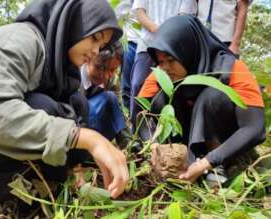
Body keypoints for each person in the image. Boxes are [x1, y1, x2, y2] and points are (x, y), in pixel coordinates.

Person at [0, 0, 129, 203]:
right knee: (45, 108)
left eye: (101, 46)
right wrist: (86, 139)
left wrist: (76, 168)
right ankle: (15, 192)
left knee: (77, 105)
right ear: (72, 22)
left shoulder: (61, 67)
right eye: (94, 38)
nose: (95, 51)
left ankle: (43, 190)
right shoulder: (22, 40)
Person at [138, 15, 266, 183]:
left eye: (171, 59)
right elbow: (140, 111)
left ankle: (221, 166)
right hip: (183, 143)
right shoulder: (161, 72)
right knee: (160, 99)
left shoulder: (231, 69)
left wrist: (208, 162)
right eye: (160, 61)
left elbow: (254, 127)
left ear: (189, 52)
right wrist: (153, 146)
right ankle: (178, 161)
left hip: (225, 145)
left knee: (213, 96)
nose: (165, 67)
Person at [130, 0, 184, 127]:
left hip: (172, 47)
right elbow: (140, 12)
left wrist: (166, 36)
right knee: (137, 84)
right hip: (147, 44)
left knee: (173, 88)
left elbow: (184, 17)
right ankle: (137, 131)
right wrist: (158, 30)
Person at [71, 41, 132, 148]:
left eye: (112, 70)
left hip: (98, 133)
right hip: (76, 135)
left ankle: (128, 146)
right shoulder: (73, 80)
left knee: (111, 98)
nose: (106, 75)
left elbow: (117, 113)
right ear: (88, 58)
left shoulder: (110, 83)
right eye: (100, 68)